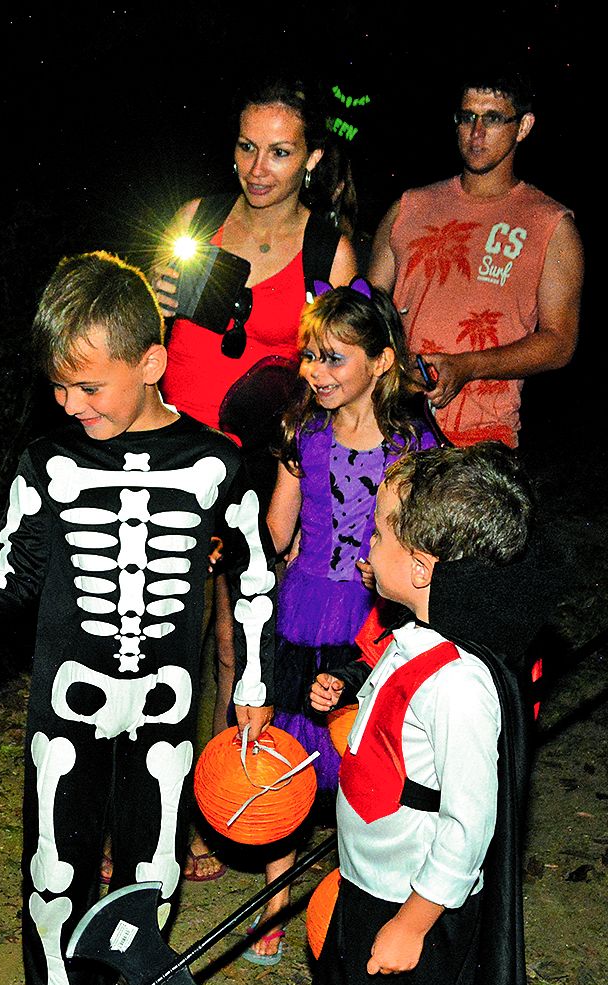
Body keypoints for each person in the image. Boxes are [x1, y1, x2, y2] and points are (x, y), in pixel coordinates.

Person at [0, 253, 277, 985]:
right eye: (59, 387)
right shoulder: (48, 462)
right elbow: (12, 571)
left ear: (152, 361)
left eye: (90, 386)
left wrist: (251, 684)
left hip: (167, 704)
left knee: (154, 863)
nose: (71, 404)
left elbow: (253, 577)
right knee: (54, 859)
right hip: (68, 701)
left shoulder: (216, 461)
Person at [254, 445, 542, 985]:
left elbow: (469, 823)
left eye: (378, 533)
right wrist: (349, 687)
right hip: (365, 881)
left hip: (413, 905)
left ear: (420, 564)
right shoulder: (412, 638)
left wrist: (415, 921)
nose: (363, 547)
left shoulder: (461, 682)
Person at [155, 76, 360, 846]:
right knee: (156, 633)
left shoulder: (326, 249)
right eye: (247, 147)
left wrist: (307, 495)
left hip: (260, 467)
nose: (258, 167)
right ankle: (144, 806)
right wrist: (154, 298)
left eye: (279, 151)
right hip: (172, 453)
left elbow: (337, 380)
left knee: (234, 641)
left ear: (310, 159)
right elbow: (147, 344)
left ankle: (217, 803)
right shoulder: (195, 220)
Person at [241, 281, 439, 965]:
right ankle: (274, 904)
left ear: (381, 361)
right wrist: (235, 548)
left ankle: (364, 901)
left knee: (364, 759)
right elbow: (278, 527)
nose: (315, 372)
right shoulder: (305, 433)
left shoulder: (413, 445)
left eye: (333, 358)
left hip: (371, 619)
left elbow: (422, 539)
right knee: (285, 757)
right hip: (302, 607)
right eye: (309, 356)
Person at [367, 68, 584, 450]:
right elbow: (364, 312)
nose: (477, 132)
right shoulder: (409, 207)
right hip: (388, 425)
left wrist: (468, 366)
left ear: (523, 126)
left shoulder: (550, 225)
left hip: (480, 437)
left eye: (493, 118)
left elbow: (559, 343)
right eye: (467, 117)